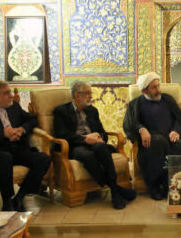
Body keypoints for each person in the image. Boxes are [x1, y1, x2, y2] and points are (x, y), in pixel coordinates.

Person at [53, 80, 136, 210]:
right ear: (77, 95)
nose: (91, 96)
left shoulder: (92, 111)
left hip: (95, 144)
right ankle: (116, 190)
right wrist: (85, 139)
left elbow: (103, 134)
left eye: (90, 93)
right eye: (87, 93)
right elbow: (62, 134)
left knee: (102, 147)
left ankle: (115, 192)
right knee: (88, 155)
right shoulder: (61, 111)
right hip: (75, 146)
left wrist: (99, 137)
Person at [124, 72, 181, 200]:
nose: (158, 90)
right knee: (158, 142)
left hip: (172, 136)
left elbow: (179, 119)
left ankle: (174, 182)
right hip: (152, 139)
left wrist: (175, 130)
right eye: (154, 87)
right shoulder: (135, 104)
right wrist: (141, 129)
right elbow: (130, 123)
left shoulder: (168, 99)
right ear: (144, 90)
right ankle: (155, 186)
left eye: (158, 86)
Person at [0, 80, 50, 211]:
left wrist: (21, 130)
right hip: (0, 150)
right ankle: (7, 201)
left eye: (10, 92)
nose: (11, 96)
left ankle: (20, 197)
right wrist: (3, 133)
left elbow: (32, 120)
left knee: (43, 159)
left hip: (17, 148)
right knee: (5, 158)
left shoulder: (14, 106)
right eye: (6, 93)